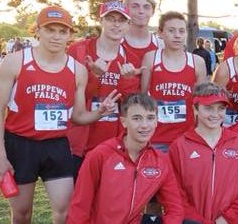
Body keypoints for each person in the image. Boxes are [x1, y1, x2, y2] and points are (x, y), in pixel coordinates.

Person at [0, 5, 120, 223]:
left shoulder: (77, 70)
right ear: (37, 31)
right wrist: (0, 156)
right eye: (50, 30)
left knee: (66, 211)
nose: (56, 36)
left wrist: (99, 112)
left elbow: (77, 116)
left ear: (70, 35)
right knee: (22, 213)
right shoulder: (16, 62)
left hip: (56, 145)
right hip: (20, 144)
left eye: (63, 31)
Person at [68, 94, 183, 223]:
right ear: (124, 122)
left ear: (157, 121)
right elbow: (79, 208)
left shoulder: (161, 161)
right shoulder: (100, 155)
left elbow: (175, 208)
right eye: (136, 118)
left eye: (150, 118)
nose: (145, 125)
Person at [169, 83, 238, 223]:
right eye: (208, 108)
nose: (215, 115)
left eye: (221, 108)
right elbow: (174, 195)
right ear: (195, 109)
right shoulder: (179, 147)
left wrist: (227, 218)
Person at [67, 0, 142, 160]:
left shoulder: (131, 59)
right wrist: (93, 76)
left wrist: (128, 80)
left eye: (121, 20)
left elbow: (130, 105)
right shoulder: (79, 51)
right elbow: (68, 95)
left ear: (128, 24)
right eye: (110, 19)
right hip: (80, 140)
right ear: (101, 21)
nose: (116, 25)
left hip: (113, 142)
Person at [140, 11, 208, 149]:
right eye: (171, 30)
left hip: (186, 137)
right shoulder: (151, 58)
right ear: (160, 33)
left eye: (181, 31)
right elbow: (142, 97)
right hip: (156, 137)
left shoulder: (197, 62)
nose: (177, 35)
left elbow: (201, 102)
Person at [122, 0, 161, 95]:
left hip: (152, 109)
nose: (141, 11)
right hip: (119, 108)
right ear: (126, 9)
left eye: (146, 7)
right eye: (135, 6)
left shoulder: (161, 47)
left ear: (152, 11)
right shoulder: (116, 44)